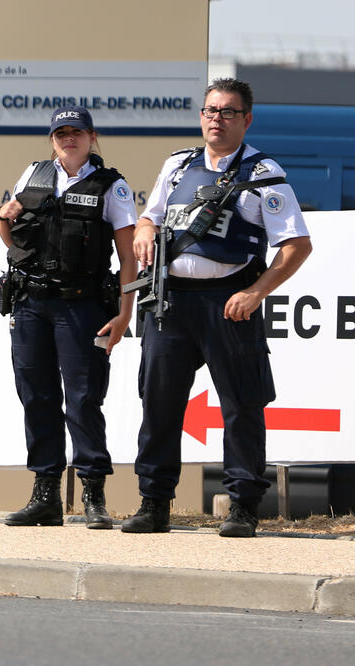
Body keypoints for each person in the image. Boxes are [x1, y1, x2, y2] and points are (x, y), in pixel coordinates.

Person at [122, 78, 312, 537]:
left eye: (228, 112)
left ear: (246, 120)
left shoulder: (264, 173)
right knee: (160, 404)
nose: (217, 119)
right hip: (172, 303)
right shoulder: (177, 165)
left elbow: (296, 245)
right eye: (211, 110)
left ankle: (244, 506)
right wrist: (145, 227)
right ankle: (154, 503)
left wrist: (256, 293)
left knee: (242, 404)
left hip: (230, 303)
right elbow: (152, 214)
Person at [0, 106, 138, 529]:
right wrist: (6, 220)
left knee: (83, 399)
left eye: (76, 132)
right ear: (52, 138)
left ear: (91, 137)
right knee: (36, 397)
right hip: (31, 304)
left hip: (83, 305)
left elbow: (128, 256)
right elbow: (9, 229)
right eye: (61, 133)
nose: (68, 139)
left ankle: (94, 495)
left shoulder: (111, 185)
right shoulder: (34, 174)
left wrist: (125, 314)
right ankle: (45, 494)